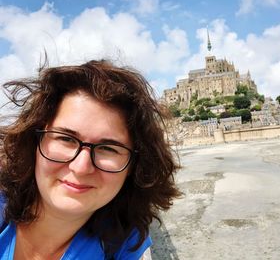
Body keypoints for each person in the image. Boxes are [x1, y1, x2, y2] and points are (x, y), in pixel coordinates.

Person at [0, 59, 180, 259]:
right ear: (35, 141)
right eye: (66, 138)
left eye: (108, 148)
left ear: (133, 166)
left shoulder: (124, 246)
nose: (81, 167)